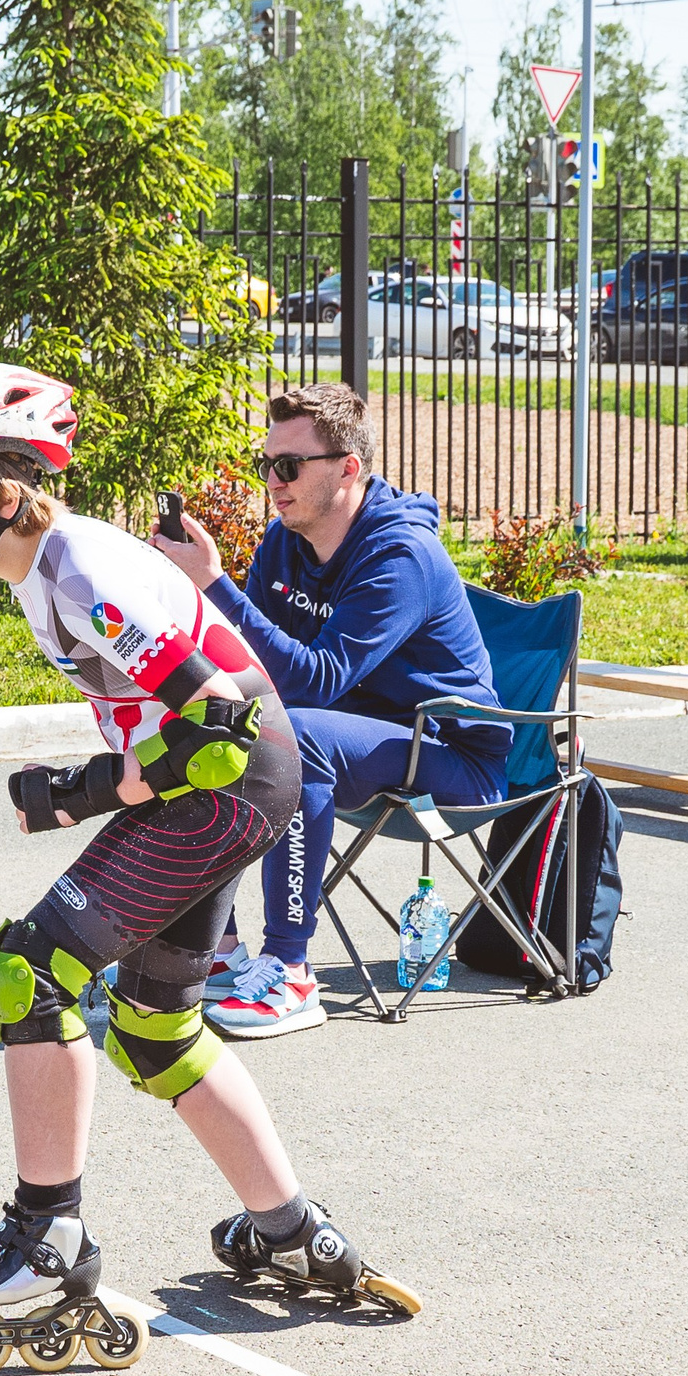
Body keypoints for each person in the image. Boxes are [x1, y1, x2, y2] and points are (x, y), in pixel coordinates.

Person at [0, 360, 415, 1376]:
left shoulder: (81, 570)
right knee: (155, 1030)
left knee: (25, 974)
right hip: (219, 784)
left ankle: (48, 1238)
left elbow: (220, 722)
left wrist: (82, 791)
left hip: (227, 781)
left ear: (4, 491)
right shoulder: (46, 564)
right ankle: (292, 1230)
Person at [151, 383, 506, 1037]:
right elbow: (248, 664)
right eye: (267, 465)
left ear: (348, 467)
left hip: (450, 749)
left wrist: (214, 583)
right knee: (208, 718)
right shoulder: (285, 541)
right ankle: (217, 941)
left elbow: (314, 683)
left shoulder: (400, 557)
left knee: (297, 735)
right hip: (362, 730)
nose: (273, 482)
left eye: (289, 466)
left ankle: (289, 968)